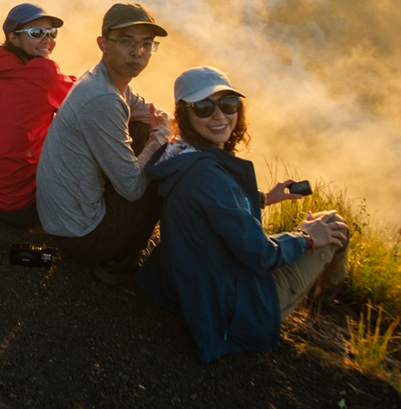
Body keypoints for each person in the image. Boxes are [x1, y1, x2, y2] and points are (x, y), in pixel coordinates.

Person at [135, 66, 350, 363]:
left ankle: (318, 294)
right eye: (204, 108)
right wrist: (304, 237)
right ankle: (325, 301)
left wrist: (263, 198)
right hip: (228, 302)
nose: (219, 115)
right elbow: (260, 256)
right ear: (184, 114)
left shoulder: (179, 155)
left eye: (228, 104)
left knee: (316, 230)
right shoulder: (208, 175)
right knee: (334, 224)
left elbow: (213, 210)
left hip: (187, 282)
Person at [35, 3, 174, 284]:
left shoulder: (105, 80)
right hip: (81, 235)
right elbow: (134, 189)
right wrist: (163, 137)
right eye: (126, 42)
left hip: (62, 220)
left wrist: (168, 124)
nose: (138, 53)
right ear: (103, 44)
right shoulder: (104, 98)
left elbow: (145, 111)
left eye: (147, 44)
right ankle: (119, 262)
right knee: (163, 160)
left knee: (144, 130)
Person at [0, 3, 76, 227]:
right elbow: (87, 95)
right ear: (13, 38)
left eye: (52, 33)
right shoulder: (46, 73)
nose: (47, 40)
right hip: (15, 206)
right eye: (36, 33)